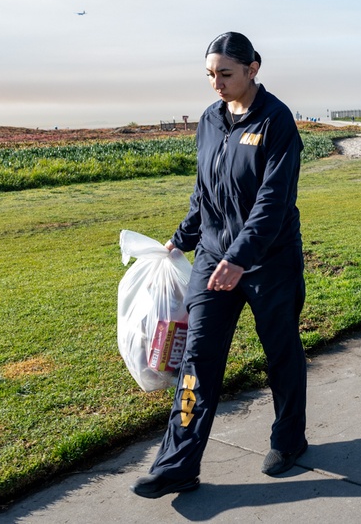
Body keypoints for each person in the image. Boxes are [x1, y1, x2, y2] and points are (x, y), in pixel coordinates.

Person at [131, 32, 308, 498]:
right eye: (211, 75)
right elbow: (205, 192)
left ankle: (289, 439)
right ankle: (177, 464)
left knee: (281, 353)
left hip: (269, 262)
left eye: (225, 74)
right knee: (198, 357)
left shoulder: (276, 120)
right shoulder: (210, 120)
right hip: (214, 259)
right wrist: (181, 238)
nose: (216, 84)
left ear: (254, 68)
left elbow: (273, 201)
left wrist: (239, 258)